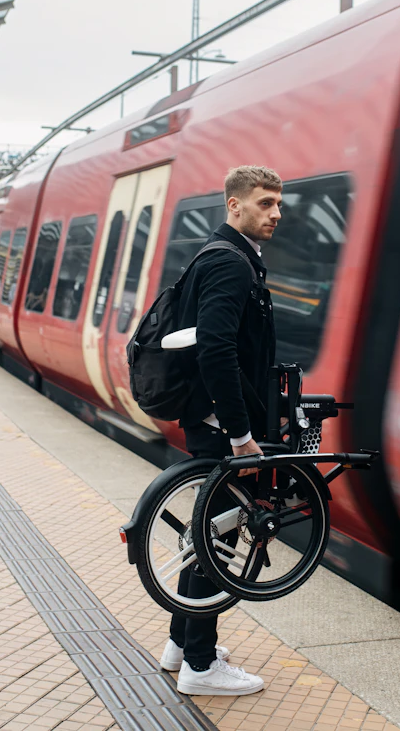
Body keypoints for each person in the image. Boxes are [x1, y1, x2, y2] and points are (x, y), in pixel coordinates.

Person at [160, 165, 283, 697]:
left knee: (205, 534)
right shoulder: (232, 265)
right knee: (219, 541)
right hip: (221, 426)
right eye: (264, 203)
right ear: (234, 206)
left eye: (279, 203)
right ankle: (202, 667)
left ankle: (181, 642)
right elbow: (216, 349)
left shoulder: (218, 255)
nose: (276, 213)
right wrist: (240, 434)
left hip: (207, 419)